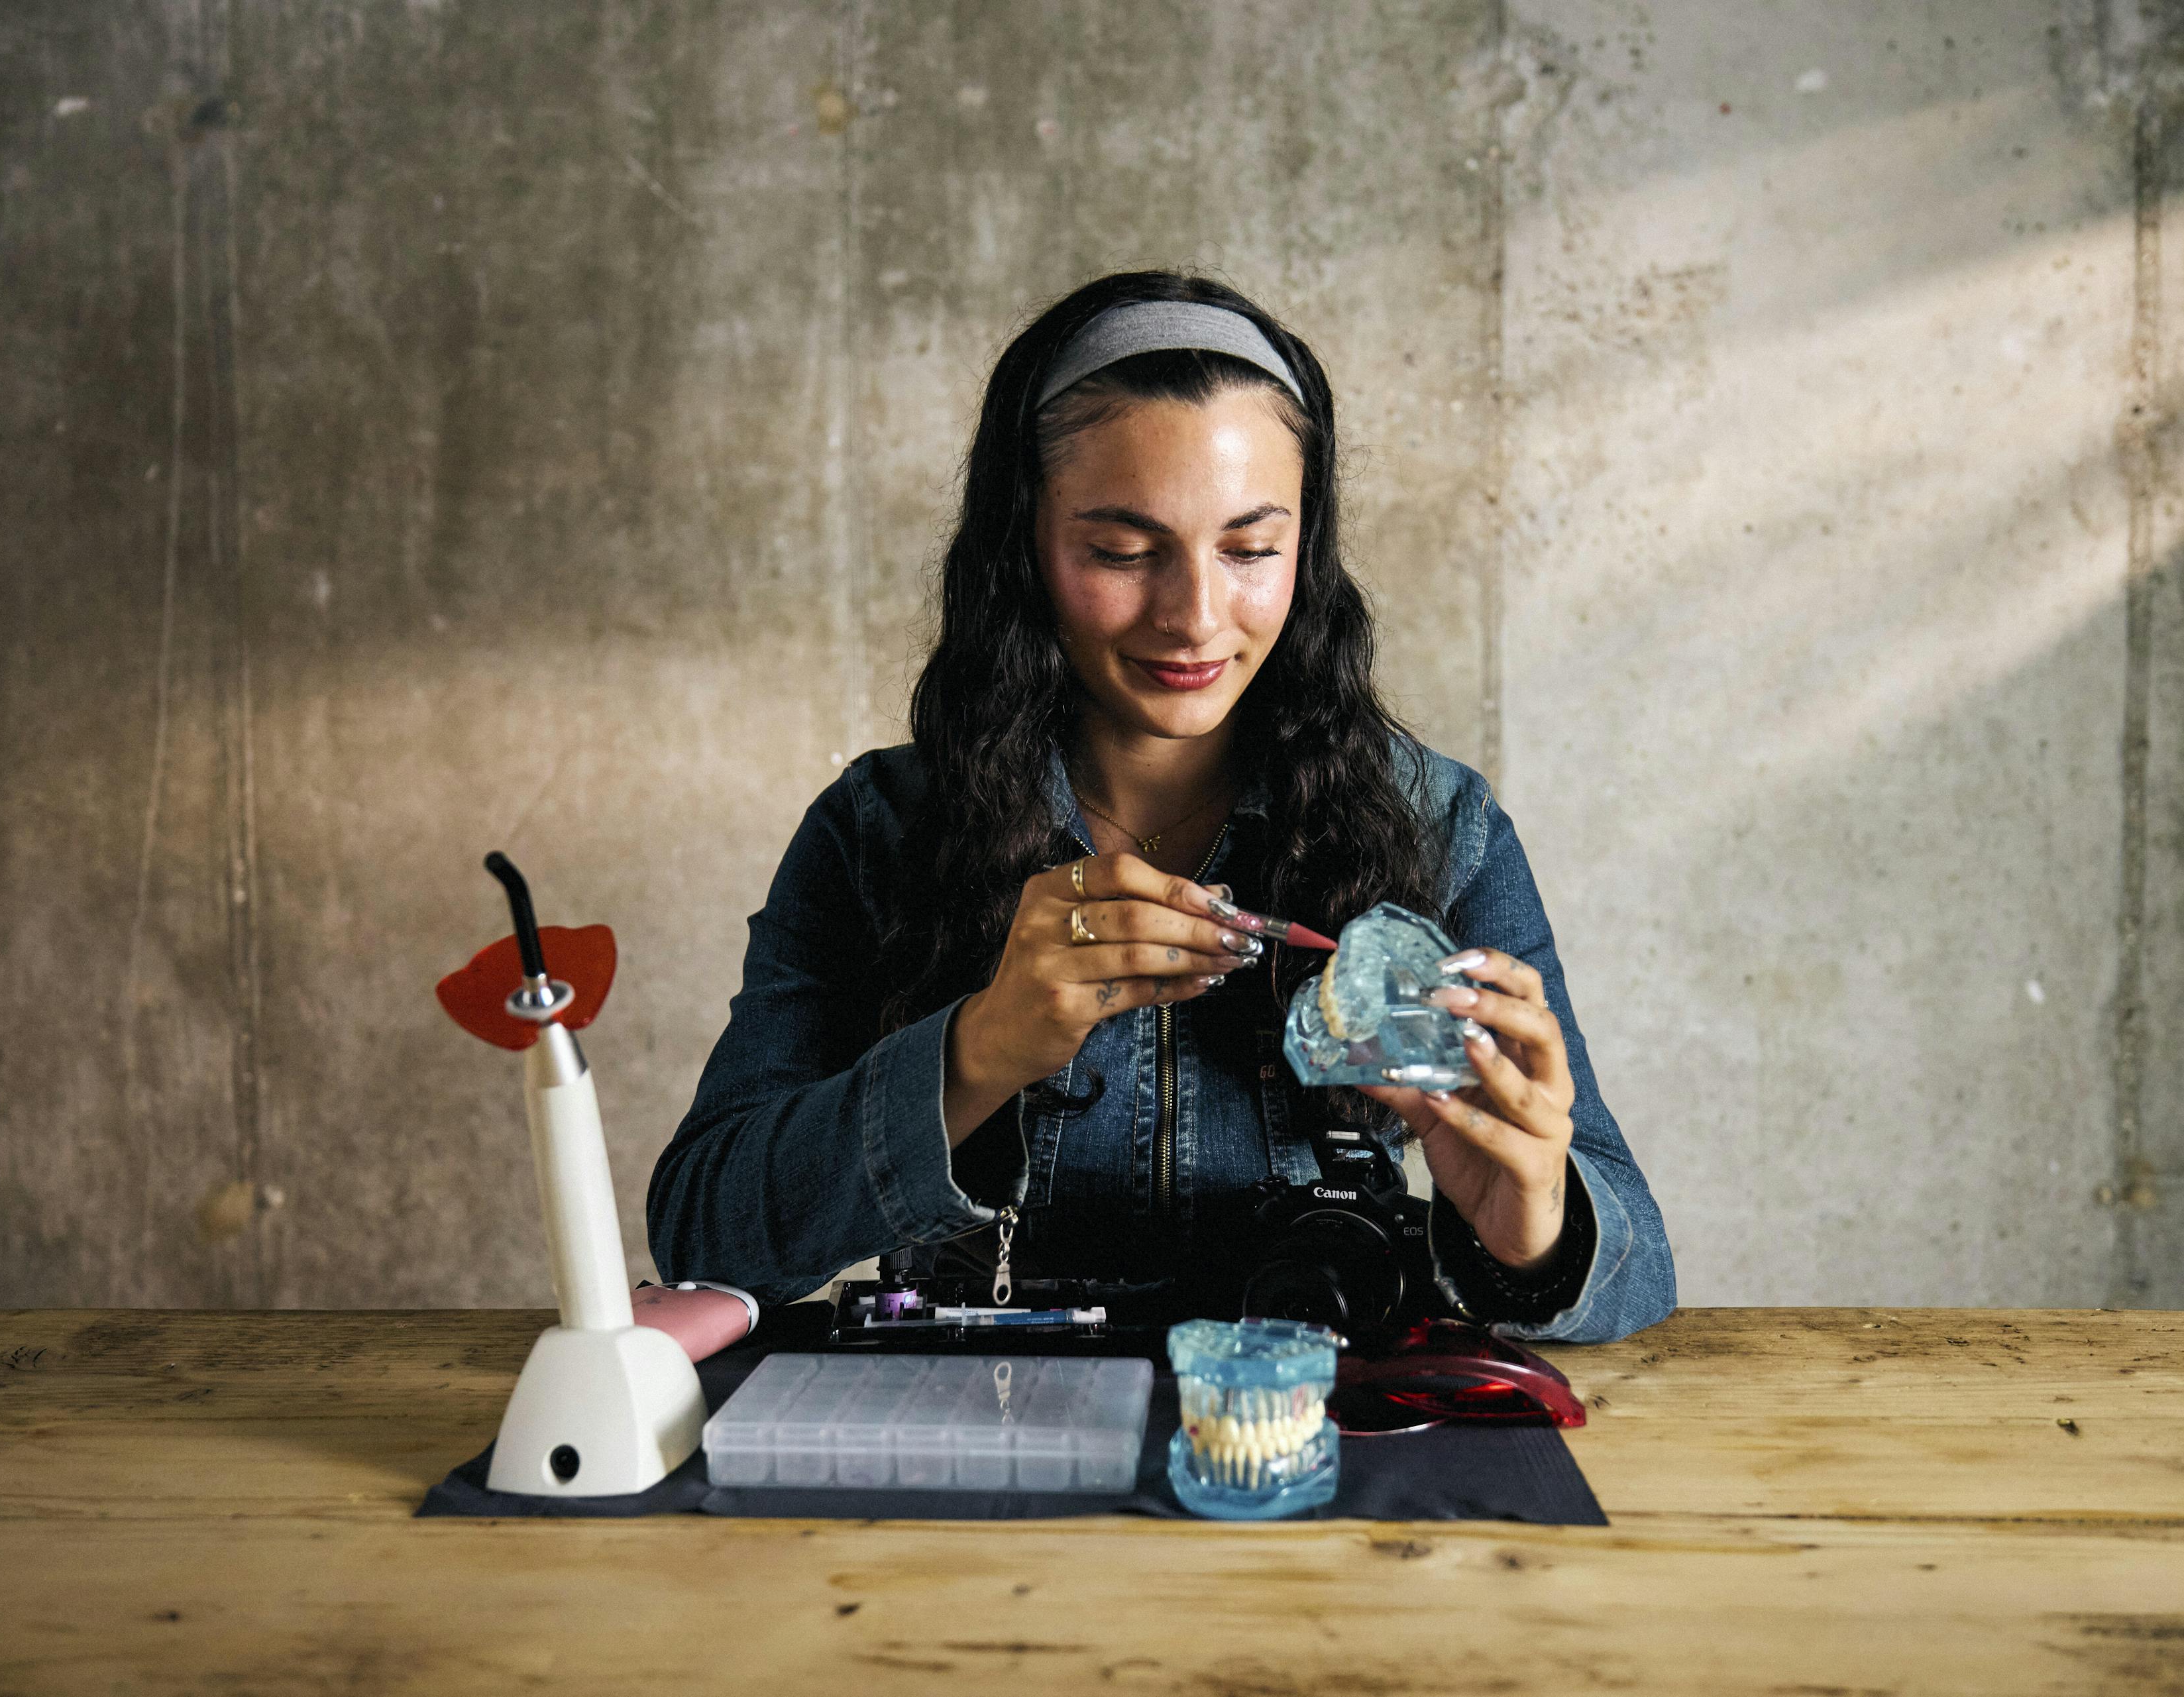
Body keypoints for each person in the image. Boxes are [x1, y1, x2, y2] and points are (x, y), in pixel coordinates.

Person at [649, 271, 1673, 1342]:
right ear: (1025, 545)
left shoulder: (1438, 824)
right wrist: (977, 1052)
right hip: (982, 1447)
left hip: (1314, 1454)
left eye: (1250, 549)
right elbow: (701, 1231)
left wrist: (1534, 1232)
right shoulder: (882, 828)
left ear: (1308, 549)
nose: (1194, 617)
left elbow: (1638, 1261)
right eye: (1122, 551)